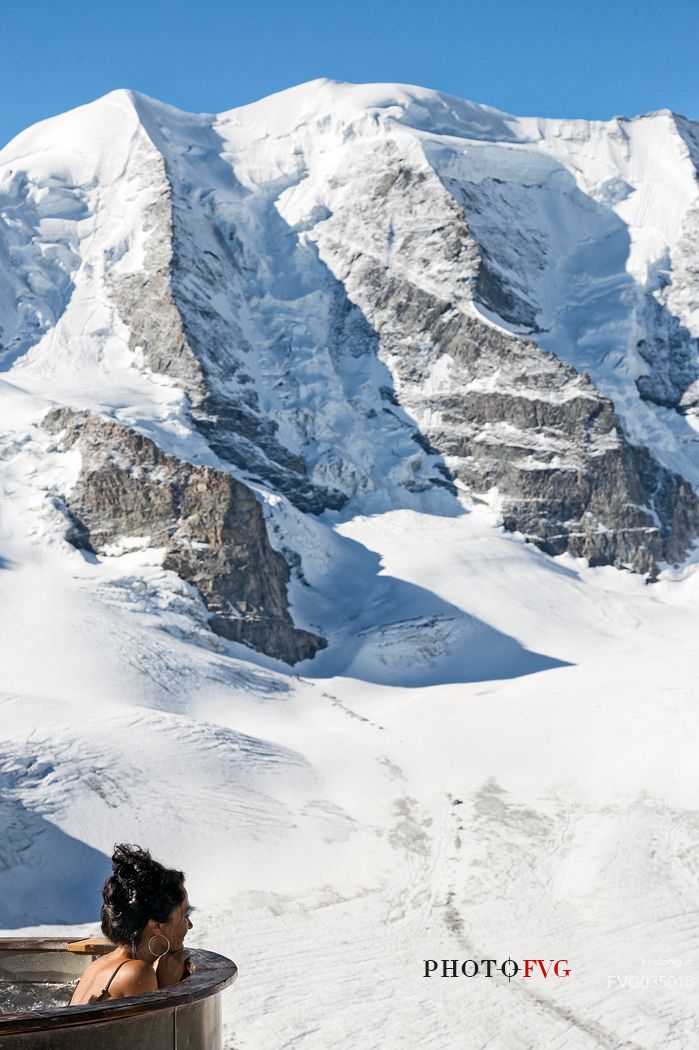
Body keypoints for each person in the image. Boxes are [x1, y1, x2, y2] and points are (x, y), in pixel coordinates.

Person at [70, 843, 194, 1005]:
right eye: (185, 915)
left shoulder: (99, 964)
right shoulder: (137, 974)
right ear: (156, 925)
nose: (190, 925)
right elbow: (155, 1030)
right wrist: (168, 989)